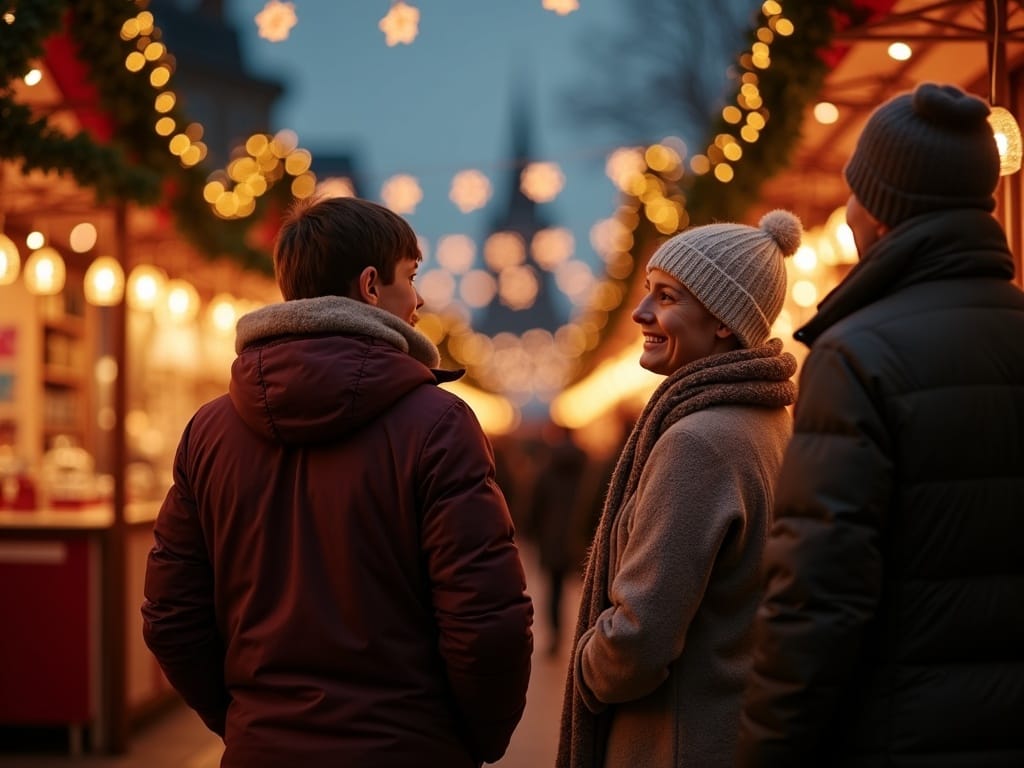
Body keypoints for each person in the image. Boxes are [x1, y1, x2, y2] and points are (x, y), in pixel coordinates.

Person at [141, 196, 533, 768]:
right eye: (411, 277)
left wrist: (246, 721)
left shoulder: (209, 430)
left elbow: (171, 615)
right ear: (371, 285)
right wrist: (471, 741)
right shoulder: (439, 424)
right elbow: (486, 622)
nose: (420, 299)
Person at [736, 83, 1024, 767]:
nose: (848, 211)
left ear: (883, 209)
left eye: (857, 192)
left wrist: (766, 750)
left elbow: (817, 597)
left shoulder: (855, 356)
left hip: (903, 732)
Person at [557, 210, 801, 768]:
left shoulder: (698, 442)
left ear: (723, 321)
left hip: (676, 740)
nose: (641, 312)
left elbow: (641, 636)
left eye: (666, 297)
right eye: (648, 290)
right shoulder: (767, 421)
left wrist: (589, 667)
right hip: (732, 727)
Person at [525, 421, 588, 657]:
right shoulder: (587, 466)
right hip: (580, 537)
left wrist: (531, 531)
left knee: (554, 589)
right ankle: (586, 635)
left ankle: (555, 635)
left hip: (552, 537)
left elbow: (535, 504)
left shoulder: (546, 467)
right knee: (587, 587)